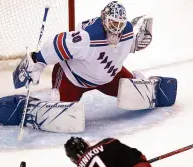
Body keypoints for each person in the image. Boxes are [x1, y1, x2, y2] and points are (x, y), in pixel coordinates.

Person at [22, 1, 153, 102]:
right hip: (73, 79)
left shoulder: (127, 31)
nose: (116, 29)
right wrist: (39, 62)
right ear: (104, 18)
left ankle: (136, 82)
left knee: (136, 94)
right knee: (62, 108)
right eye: (113, 23)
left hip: (109, 78)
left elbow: (124, 47)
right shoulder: (88, 37)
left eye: (120, 24)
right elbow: (57, 43)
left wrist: (136, 43)